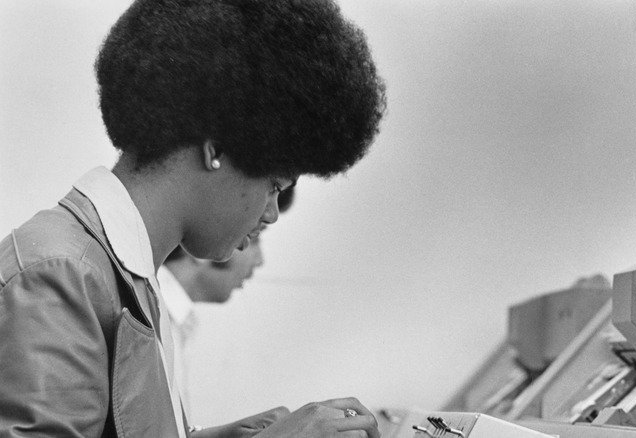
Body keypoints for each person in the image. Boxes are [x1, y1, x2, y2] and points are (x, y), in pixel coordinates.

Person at [0, 0, 386, 437]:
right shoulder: (61, 275)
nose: (272, 213)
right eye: (275, 186)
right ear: (216, 149)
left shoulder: (127, 277)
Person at [160, 188, 296, 413]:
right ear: (205, 233)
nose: (260, 261)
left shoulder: (176, 319)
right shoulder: (149, 315)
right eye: (254, 238)